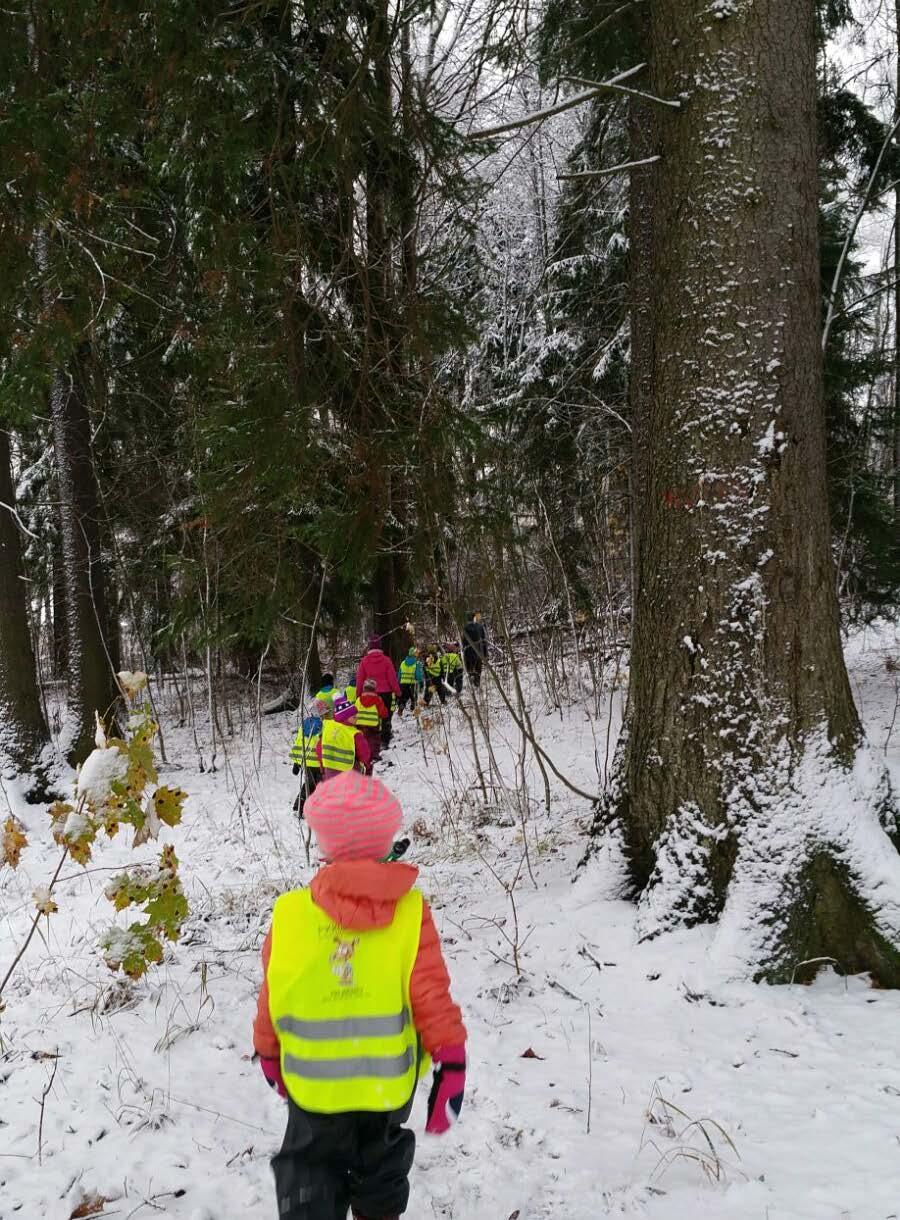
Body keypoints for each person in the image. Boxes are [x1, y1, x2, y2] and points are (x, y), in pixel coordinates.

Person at [253, 771, 467, 1220]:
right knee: (381, 1169)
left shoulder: (290, 914)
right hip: (387, 1088)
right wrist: (451, 1059)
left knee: (310, 1172)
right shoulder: (411, 913)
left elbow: (274, 991)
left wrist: (268, 1052)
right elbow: (431, 993)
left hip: (313, 1091)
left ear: (324, 844)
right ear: (387, 837)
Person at [355, 635, 401, 748]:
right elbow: (392, 679)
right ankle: (385, 740)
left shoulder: (364, 661)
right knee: (385, 716)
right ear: (380, 646)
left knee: (371, 718)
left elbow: (360, 679)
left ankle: (371, 738)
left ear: (370, 647)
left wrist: (358, 695)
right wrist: (398, 692)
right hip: (386, 694)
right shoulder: (386, 660)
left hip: (369, 693)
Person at [289, 699, 328, 817]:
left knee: (309, 784)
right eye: (325, 712)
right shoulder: (323, 726)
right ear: (320, 713)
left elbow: (299, 744)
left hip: (306, 761)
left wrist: (296, 762)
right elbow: (324, 745)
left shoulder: (303, 724)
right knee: (318, 785)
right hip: (318, 762)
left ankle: (300, 807)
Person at [317, 696, 371, 779]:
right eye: (354, 716)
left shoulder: (329, 728)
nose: (357, 717)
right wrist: (366, 764)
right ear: (345, 717)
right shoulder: (354, 734)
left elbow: (320, 747)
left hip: (330, 771)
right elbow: (364, 754)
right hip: (350, 771)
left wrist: (322, 764)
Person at [355, 678, 389, 766]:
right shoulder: (378, 700)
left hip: (360, 724)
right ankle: (374, 756)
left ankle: (362, 755)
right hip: (374, 725)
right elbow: (383, 713)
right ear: (375, 689)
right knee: (374, 741)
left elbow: (354, 711)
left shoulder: (358, 700)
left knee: (362, 741)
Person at [462, 612, 487, 690]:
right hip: (479, 651)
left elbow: (463, 642)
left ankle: (472, 683)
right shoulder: (480, 627)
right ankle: (477, 684)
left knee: (470, 668)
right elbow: (484, 640)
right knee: (478, 668)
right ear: (474, 618)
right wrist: (485, 653)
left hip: (468, 652)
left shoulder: (464, 628)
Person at [396, 648, 423, 715]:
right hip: (412, 684)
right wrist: (420, 682)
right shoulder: (417, 663)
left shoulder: (403, 663)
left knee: (404, 698)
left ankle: (400, 709)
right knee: (414, 698)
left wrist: (398, 683)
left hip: (403, 684)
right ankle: (413, 711)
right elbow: (418, 676)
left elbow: (399, 675)